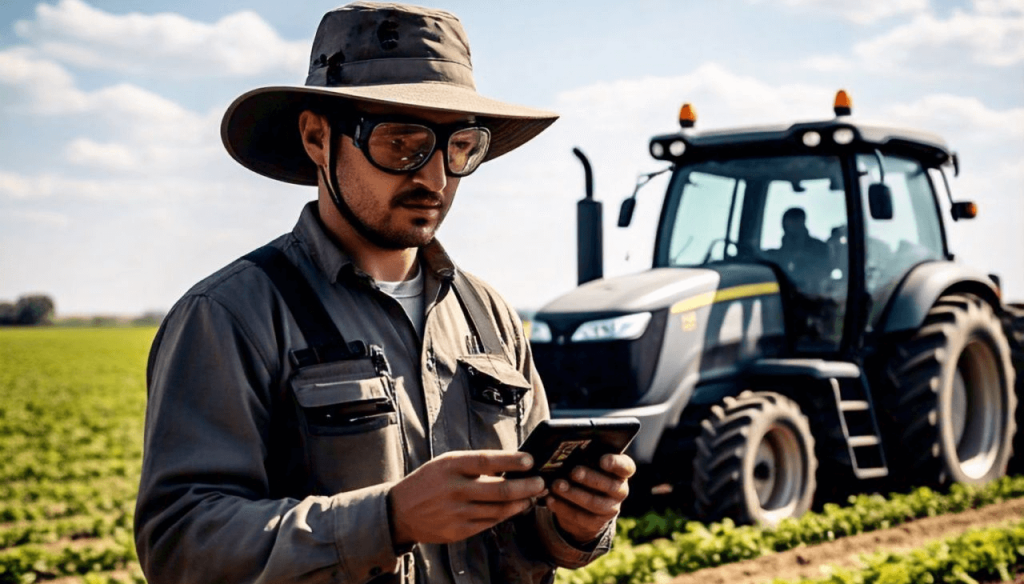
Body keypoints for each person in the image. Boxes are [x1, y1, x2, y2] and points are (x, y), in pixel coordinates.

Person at [134, 3, 634, 583]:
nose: (435, 178)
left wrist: (575, 523)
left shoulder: (488, 315)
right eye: (401, 142)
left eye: (459, 147)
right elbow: (180, 544)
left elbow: (529, 532)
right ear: (318, 138)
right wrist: (388, 519)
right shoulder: (230, 316)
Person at [776, 207, 830, 291]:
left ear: (803, 221)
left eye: (795, 221)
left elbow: (824, 274)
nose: (792, 226)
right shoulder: (777, 256)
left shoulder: (819, 248)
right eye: (789, 223)